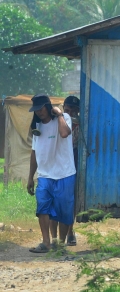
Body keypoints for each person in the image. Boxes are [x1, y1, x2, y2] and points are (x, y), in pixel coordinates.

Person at [27, 94, 76, 253]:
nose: (39, 112)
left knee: (64, 211)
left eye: (41, 108)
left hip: (64, 173)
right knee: (42, 208)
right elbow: (34, 153)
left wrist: (60, 114)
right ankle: (46, 243)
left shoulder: (64, 118)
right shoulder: (37, 127)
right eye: (36, 110)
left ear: (48, 107)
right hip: (45, 175)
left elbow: (64, 133)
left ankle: (60, 244)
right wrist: (30, 178)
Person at [49, 95, 80, 246]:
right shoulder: (56, 120)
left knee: (69, 199)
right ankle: (54, 238)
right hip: (57, 163)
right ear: (63, 107)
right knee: (53, 199)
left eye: (74, 109)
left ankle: (70, 231)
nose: (71, 111)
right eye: (68, 108)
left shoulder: (81, 124)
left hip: (73, 161)